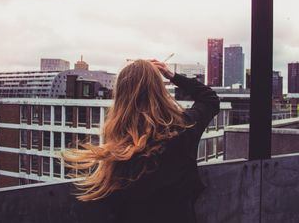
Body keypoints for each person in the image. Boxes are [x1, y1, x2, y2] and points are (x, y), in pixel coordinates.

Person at [63, 59, 220, 222]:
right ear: (159, 90)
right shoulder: (183, 128)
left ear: (121, 96)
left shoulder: (117, 150)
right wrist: (171, 75)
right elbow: (210, 99)